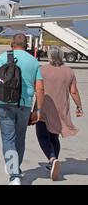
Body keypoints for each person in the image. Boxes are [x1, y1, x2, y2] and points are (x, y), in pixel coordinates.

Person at [0, 33, 44, 185]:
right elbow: (40, 88)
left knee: (8, 139)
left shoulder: (4, 57)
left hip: (5, 103)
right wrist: (38, 110)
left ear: (12, 44)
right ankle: (16, 168)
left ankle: (14, 176)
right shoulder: (33, 61)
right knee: (20, 138)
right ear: (26, 45)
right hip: (25, 105)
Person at [35, 46, 83, 181]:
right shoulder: (69, 71)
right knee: (54, 138)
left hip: (44, 107)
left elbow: (37, 88)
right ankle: (53, 163)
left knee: (42, 136)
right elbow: (73, 91)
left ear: (50, 56)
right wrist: (79, 106)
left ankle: (52, 159)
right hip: (61, 109)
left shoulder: (42, 70)